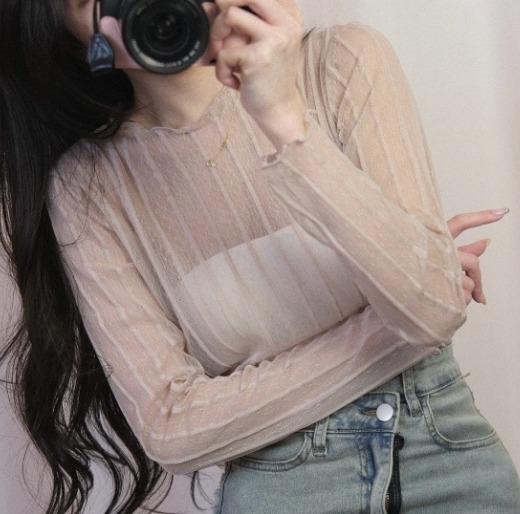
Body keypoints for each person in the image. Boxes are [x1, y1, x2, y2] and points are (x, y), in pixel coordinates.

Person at [0, 0, 518, 513]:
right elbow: (172, 429)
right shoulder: (90, 187)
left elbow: (428, 310)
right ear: (72, 37)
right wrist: (400, 327)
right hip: (281, 492)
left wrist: (283, 118)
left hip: (448, 459)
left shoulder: (342, 61)